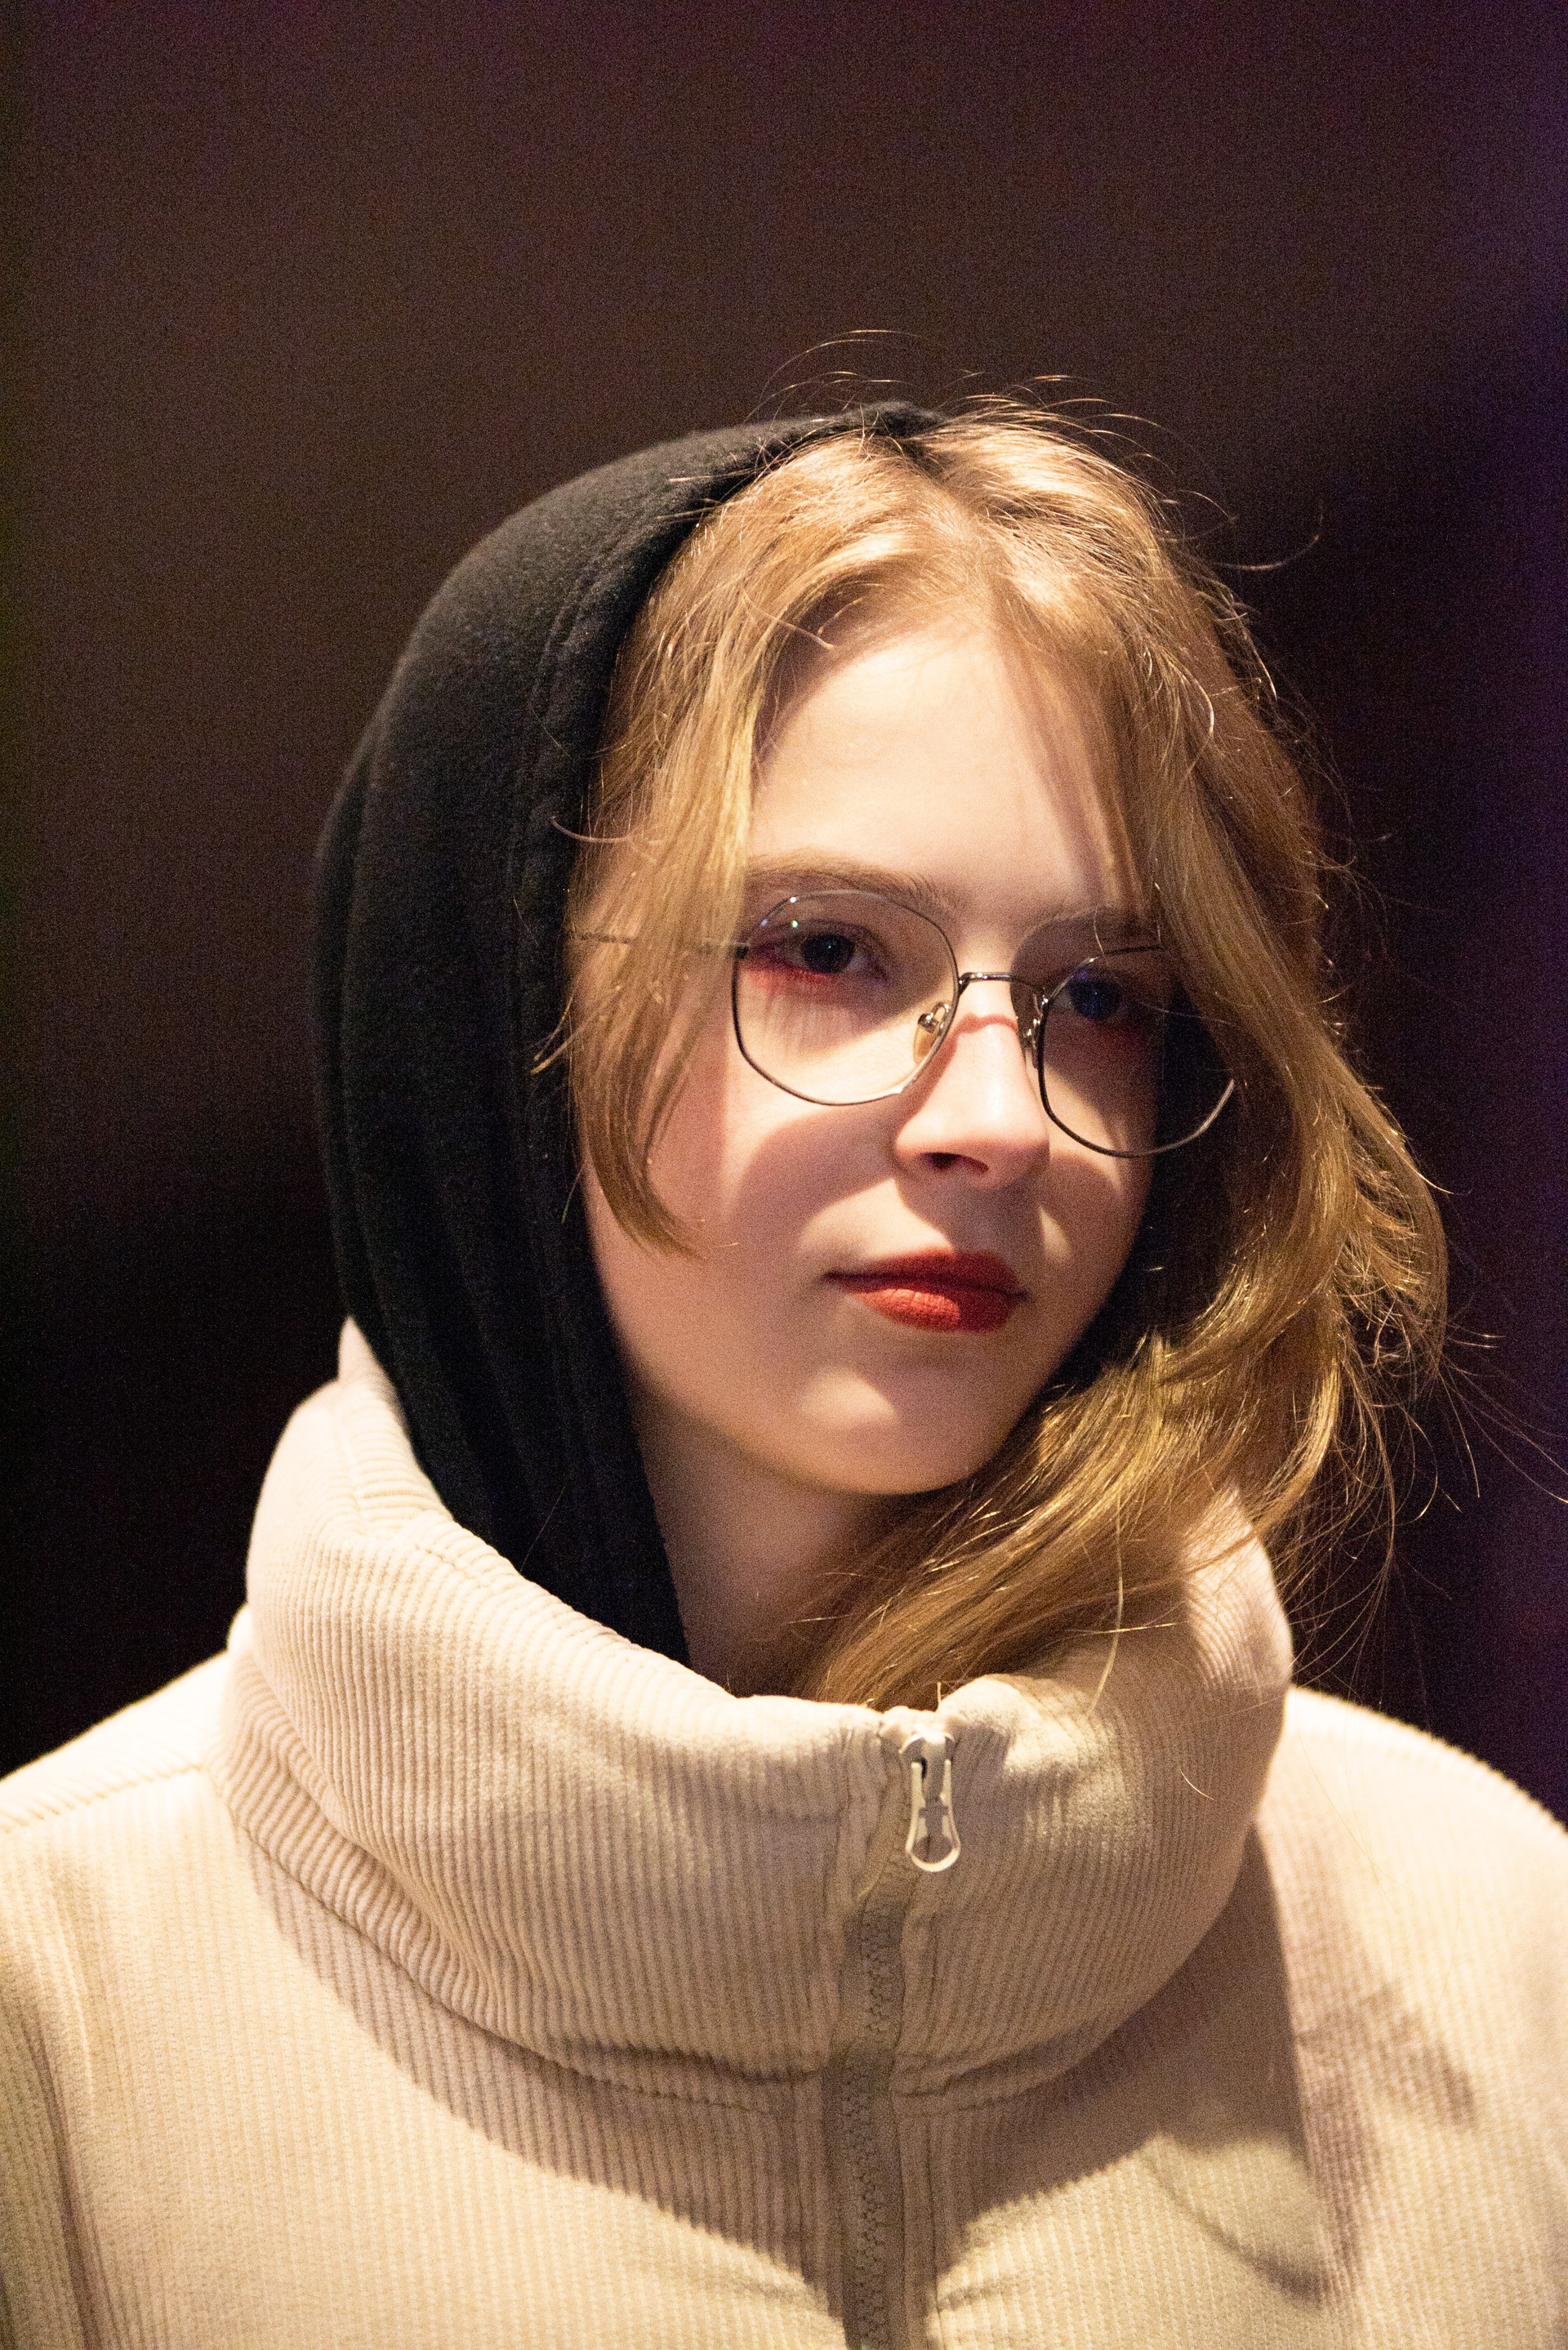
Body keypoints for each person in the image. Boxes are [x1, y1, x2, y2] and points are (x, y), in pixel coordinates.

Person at [2, 403, 1564, 2348]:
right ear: (495, 1007)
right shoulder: (54, 1996)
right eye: (827, 949)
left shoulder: (1484, 1940)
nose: (1003, 1118)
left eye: (1097, 996)